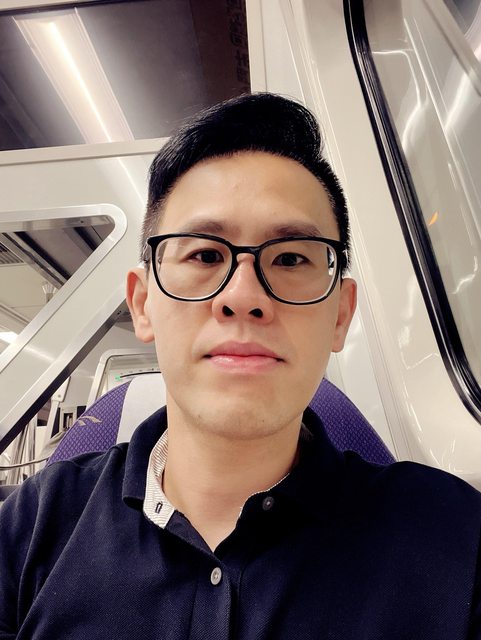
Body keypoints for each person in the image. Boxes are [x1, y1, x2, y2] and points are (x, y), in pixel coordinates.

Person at [1, 93, 480, 639]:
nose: (245, 296)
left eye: (291, 258)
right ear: (143, 304)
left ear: (341, 315)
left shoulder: (455, 537)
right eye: (205, 255)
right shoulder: (31, 528)